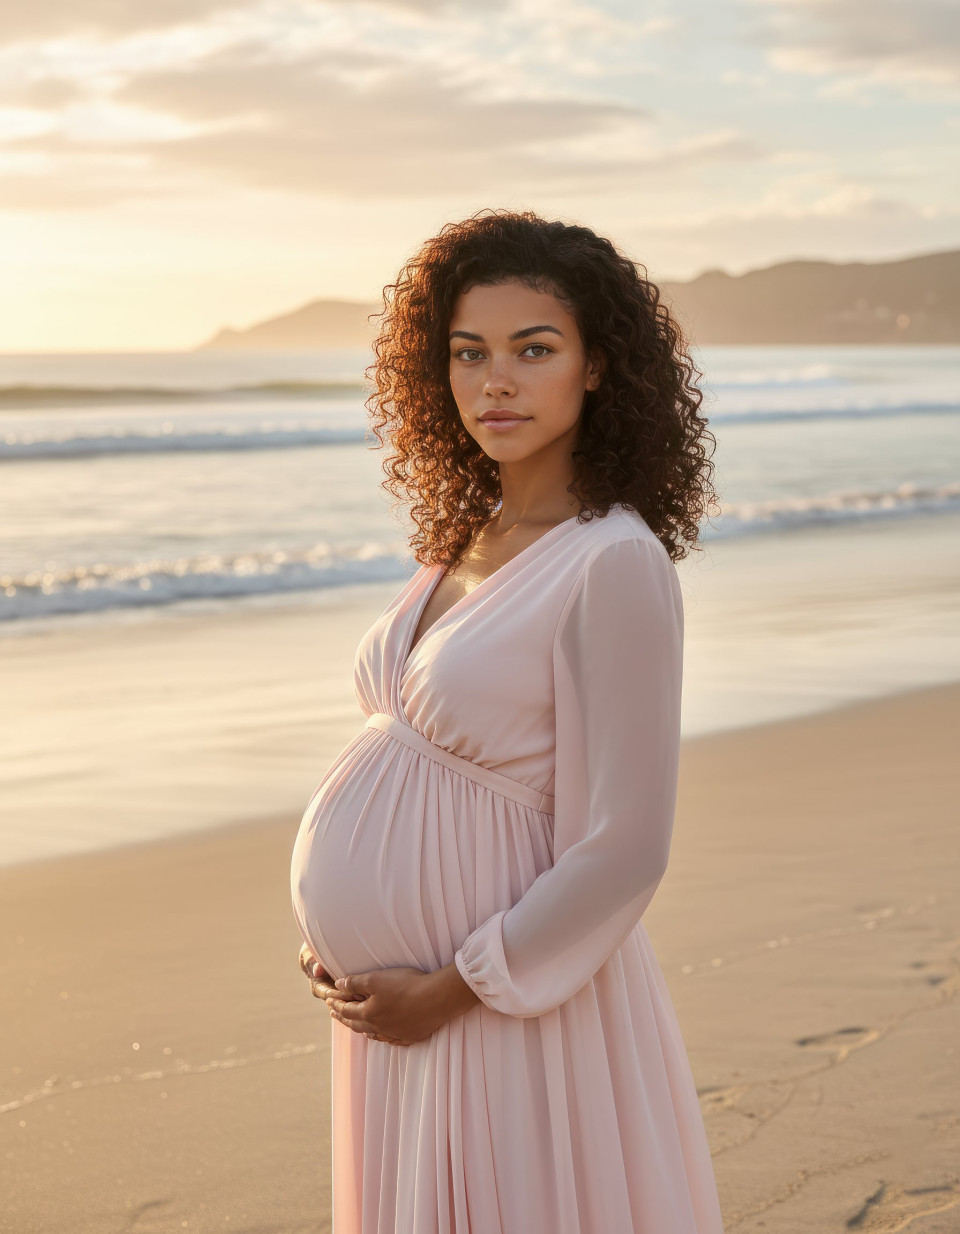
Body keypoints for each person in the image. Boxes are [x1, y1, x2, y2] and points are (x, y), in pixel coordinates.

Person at [290, 208, 725, 1233]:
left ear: (597, 368)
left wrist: (449, 988)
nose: (496, 380)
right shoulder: (466, 540)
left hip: (507, 1007)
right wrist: (344, 936)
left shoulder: (612, 560)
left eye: (535, 350)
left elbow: (624, 848)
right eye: (469, 352)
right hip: (404, 1018)